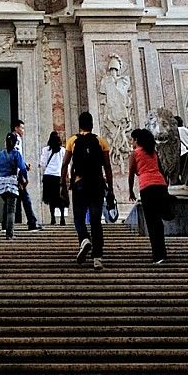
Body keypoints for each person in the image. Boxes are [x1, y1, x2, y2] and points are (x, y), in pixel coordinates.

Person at [66, 111, 114, 269]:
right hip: (97, 184)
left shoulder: (73, 140)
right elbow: (107, 167)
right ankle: (97, 258)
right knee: (95, 221)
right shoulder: (101, 141)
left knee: (79, 218)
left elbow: (65, 164)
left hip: (80, 184)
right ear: (92, 125)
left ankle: (84, 239)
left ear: (79, 125)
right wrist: (111, 189)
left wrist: (64, 184)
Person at [129, 126, 173, 265]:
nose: (131, 142)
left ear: (136, 140)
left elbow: (131, 173)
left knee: (152, 222)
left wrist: (130, 191)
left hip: (147, 187)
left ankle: (157, 255)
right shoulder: (153, 152)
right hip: (160, 185)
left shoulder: (135, 153)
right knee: (158, 222)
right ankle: (163, 252)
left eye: (132, 140)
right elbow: (161, 169)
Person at [0, 130, 29, 237]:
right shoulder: (16, 154)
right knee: (11, 210)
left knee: (6, 204)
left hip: (1, 182)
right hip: (11, 182)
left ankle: (3, 226)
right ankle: (10, 233)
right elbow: (22, 168)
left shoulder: (0, 154)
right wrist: (25, 180)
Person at [10, 119, 41, 231]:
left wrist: (23, 164)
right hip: (17, 173)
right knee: (25, 198)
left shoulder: (10, 140)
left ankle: (5, 224)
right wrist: (23, 172)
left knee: (11, 198)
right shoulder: (16, 139)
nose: (23, 131)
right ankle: (32, 222)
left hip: (11, 172)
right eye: (21, 128)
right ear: (16, 128)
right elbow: (17, 155)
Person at [40, 129, 68, 226]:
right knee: (60, 198)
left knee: (51, 199)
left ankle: (52, 218)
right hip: (58, 176)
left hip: (48, 176)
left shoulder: (45, 150)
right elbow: (65, 164)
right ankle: (62, 218)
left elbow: (43, 164)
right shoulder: (63, 150)